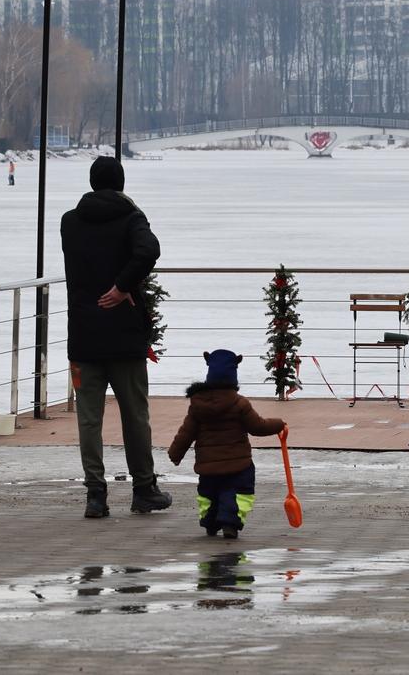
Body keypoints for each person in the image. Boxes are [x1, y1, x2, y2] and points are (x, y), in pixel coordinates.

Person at [61, 155, 171, 518]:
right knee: (134, 414)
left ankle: (95, 494)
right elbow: (149, 250)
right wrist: (123, 287)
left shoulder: (70, 223)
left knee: (89, 418)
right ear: (121, 183)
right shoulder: (131, 219)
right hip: (123, 334)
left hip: (83, 335)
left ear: (92, 183)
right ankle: (143, 488)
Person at [167, 350, 286, 539]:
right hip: (238, 465)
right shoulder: (240, 403)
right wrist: (279, 424)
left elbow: (186, 432)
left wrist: (175, 453)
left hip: (208, 465)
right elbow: (258, 426)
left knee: (208, 494)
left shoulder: (197, 405)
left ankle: (210, 523)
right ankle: (230, 523)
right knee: (237, 492)